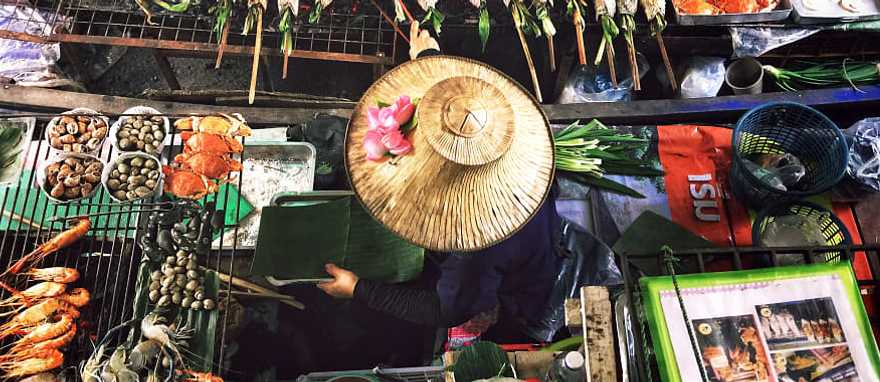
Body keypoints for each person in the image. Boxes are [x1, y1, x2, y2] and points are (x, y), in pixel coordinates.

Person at [317, 22, 563, 347]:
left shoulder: (472, 245)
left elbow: (444, 310)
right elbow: (460, 116)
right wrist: (429, 57)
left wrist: (359, 288)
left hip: (523, 279)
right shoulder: (500, 125)